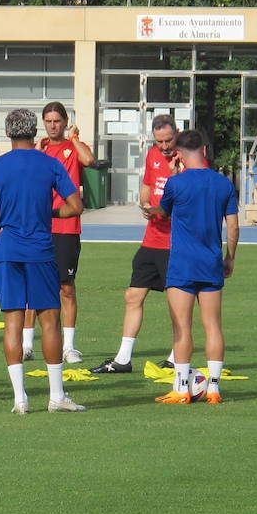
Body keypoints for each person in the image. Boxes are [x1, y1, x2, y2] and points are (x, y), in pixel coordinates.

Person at [0, 107, 86, 415]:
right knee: (50, 321)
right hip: (41, 251)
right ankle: (56, 396)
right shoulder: (50, 164)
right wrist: (51, 213)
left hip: (8, 252)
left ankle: (20, 399)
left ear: (7, 133)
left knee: (12, 323)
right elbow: (76, 206)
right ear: (35, 131)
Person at [150, 130, 238, 405]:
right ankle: (213, 388)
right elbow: (233, 226)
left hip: (182, 266)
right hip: (211, 262)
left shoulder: (176, 184)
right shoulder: (223, 184)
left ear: (178, 152)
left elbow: (162, 211)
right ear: (204, 150)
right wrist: (230, 257)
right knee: (213, 327)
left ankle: (181, 388)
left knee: (181, 329)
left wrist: (151, 208)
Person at [93, 114, 179, 374]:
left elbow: (187, 200)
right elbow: (147, 184)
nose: (164, 146)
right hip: (152, 239)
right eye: (159, 141)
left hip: (175, 242)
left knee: (178, 302)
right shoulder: (152, 154)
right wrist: (145, 205)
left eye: (168, 140)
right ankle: (123, 359)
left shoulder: (188, 159)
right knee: (132, 295)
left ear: (177, 134)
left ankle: (177, 356)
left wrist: (161, 209)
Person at [20, 102, 94, 364]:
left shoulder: (73, 147)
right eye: (48, 121)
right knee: (31, 287)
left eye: (57, 121)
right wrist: (35, 152)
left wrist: (74, 138)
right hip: (38, 225)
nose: (53, 126)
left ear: (65, 122)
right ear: (43, 122)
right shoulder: (35, 148)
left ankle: (69, 347)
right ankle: (27, 345)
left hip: (66, 227)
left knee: (66, 288)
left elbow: (89, 161)